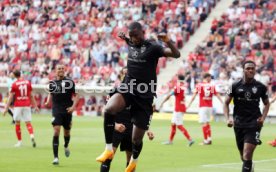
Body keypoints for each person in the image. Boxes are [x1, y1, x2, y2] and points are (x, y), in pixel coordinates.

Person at [96, 21, 180, 172]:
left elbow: (176, 54)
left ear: (143, 33)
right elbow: (131, 41)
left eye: (135, 35)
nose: (133, 39)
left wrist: (168, 41)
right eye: (131, 36)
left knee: (136, 139)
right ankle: (108, 149)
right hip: (128, 87)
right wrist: (125, 38)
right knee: (109, 110)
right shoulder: (131, 42)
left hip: (145, 95)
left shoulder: (153, 47)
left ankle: (134, 161)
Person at [224, 60, 270, 172]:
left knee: (247, 153)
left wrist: (263, 118)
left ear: (255, 70)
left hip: (254, 123)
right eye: (248, 68)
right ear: (243, 70)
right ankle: (249, 166)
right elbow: (225, 103)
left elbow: (267, 103)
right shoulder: (234, 86)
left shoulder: (261, 87)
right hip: (239, 123)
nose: (250, 70)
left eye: (252, 68)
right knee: (243, 156)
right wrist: (227, 119)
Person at [45, 64, 79, 165]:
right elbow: (50, 93)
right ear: (55, 71)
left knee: (67, 133)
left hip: (67, 110)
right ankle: (56, 157)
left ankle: (66, 145)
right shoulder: (52, 83)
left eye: (62, 69)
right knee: (56, 131)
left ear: (65, 70)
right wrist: (47, 102)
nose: (61, 70)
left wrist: (73, 107)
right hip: (56, 110)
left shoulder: (70, 82)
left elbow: (77, 95)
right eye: (59, 69)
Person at [3, 70, 39, 147]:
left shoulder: (14, 84)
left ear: (15, 76)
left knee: (17, 123)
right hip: (27, 104)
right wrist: (35, 106)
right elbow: (31, 96)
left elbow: (11, 97)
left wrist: (6, 108)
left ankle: (19, 142)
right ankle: (31, 135)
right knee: (28, 122)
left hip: (18, 105)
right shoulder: (28, 83)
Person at [186, 73, 223, 145]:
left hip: (203, 106)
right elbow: (217, 95)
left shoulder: (199, 85)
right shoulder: (212, 86)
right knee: (207, 122)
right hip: (209, 106)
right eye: (209, 78)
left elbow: (194, 95)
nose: (210, 79)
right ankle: (209, 139)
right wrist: (222, 102)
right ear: (206, 78)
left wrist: (189, 104)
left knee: (203, 123)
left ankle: (206, 140)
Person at [159, 74, 194, 146]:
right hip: (181, 107)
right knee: (173, 123)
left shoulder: (178, 87)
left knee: (179, 125)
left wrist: (162, 102)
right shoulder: (184, 87)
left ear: (178, 79)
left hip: (178, 108)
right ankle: (170, 140)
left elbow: (170, 95)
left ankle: (190, 139)